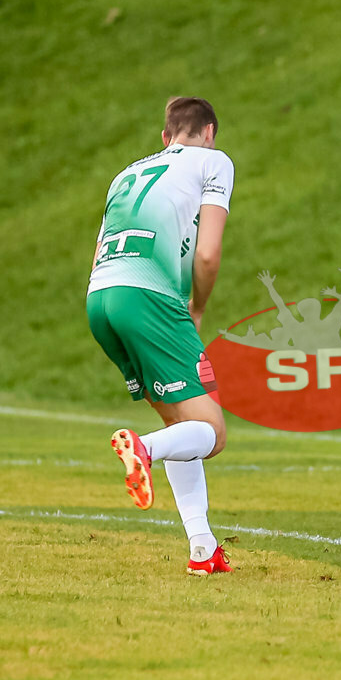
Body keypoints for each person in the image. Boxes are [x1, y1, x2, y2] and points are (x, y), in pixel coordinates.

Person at [86, 97, 235, 574]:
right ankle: (142, 449)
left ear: (165, 136)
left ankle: (202, 550)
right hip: (150, 299)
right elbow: (207, 255)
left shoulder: (126, 173)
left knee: (182, 426)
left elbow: (98, 252)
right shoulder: (214, 161)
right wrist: (196, 308)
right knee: (210, 433)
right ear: (208, 132)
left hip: (100, 299)